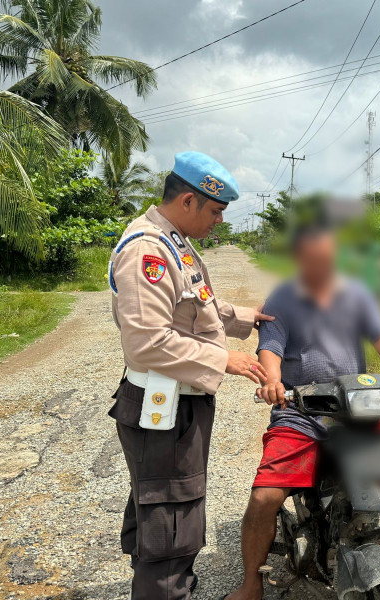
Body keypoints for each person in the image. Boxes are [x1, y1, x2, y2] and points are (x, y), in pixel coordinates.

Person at [223, 223, 380, 600]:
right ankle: (250, 584)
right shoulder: (283, 299)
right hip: (299, 412)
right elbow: (271, 349)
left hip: (355, 411)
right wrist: (273, 382)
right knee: (265, 497)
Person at [108, 151, 273, 600]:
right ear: (186, 201)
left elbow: (194, 307)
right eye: (216, 211)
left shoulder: (174, 241)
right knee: (170, 526)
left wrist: (247, 317)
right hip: (163, 410)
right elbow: (146, 342)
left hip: (178, 406)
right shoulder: (148, 250)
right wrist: (224, 360)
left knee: (166, 512)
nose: (219, 221)